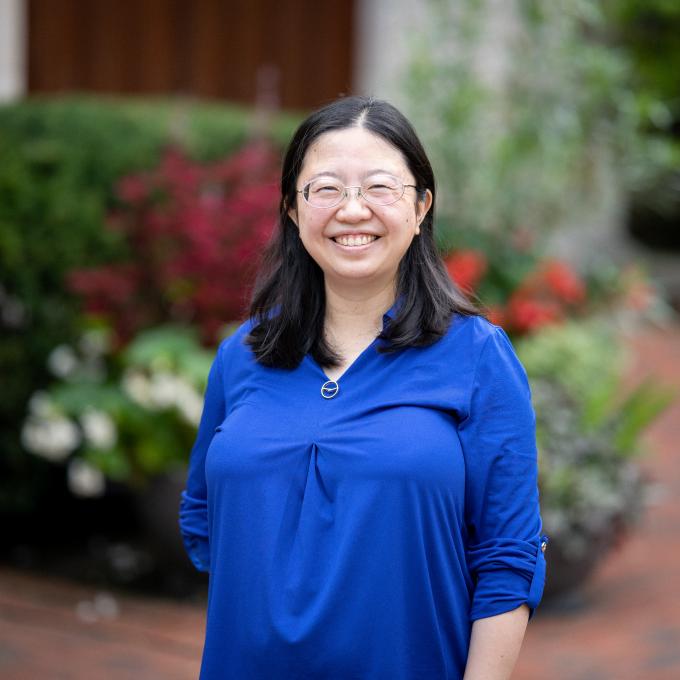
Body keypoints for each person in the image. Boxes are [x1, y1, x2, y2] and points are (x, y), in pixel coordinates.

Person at [179, 96, 547, 680]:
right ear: (294, 212)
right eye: (324, 189)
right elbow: (204, 519)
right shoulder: (241, 356)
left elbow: (508, 556)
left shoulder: (477, 358)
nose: (352, 211)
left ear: (421, 206)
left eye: (380, 187)